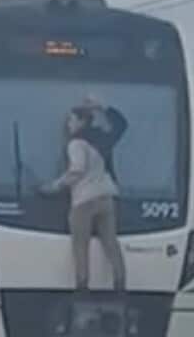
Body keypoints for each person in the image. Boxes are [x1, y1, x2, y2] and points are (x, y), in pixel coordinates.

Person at [39, 97, 128, 296]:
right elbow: (121, 124)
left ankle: (82, 285)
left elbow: (77, 170)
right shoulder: (101, 138)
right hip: (107, 197)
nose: (68, 125)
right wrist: (101, 107)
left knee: (81, 244)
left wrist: (54, 186)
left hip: (84, 200)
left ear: (81, 121)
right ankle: (120, 282)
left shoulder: (76, 143)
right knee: (111, 243)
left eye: (71, 120)